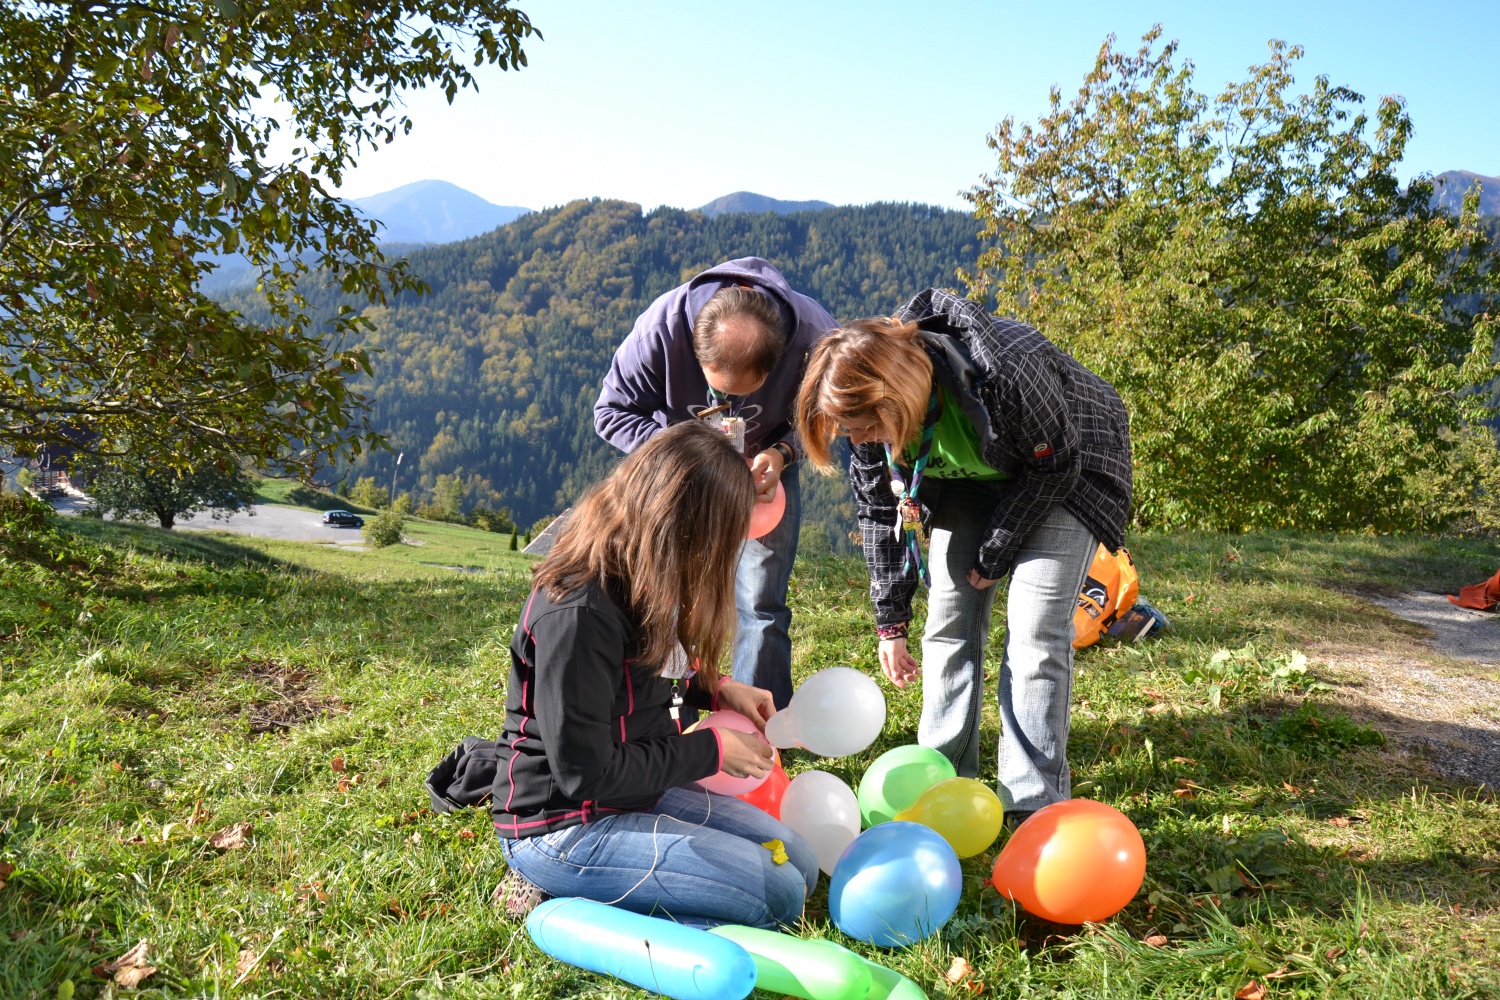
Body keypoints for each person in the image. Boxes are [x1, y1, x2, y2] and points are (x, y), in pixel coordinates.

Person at [796, 289, 1133, 826]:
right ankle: (942, 778)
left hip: (1065, 475)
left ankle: (1031, 802)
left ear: (897, 396)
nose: (857, 440)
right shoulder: (868, 420)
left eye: (864, 427)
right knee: (947, 616)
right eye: (849, 431)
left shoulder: (1007, 370)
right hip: (972, 479)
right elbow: (880, 511)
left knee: (1035, 635)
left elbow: (1056, 465)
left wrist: (997, 549)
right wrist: (890, 621)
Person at [492, 420, 819, 928]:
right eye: (724, 535)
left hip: (636, 794)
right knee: (777, 896)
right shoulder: (578, 612)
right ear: (685, 527)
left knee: (801, 863)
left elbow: (649, 674)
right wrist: (711, 751)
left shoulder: (647, 573)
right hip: (563, 824)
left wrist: (718, 690)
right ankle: (551, 884)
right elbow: (583, 773)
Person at [594, 257, 836, 709]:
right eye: (717, 389)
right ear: (694, 350)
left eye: (740, 393)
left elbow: (828, 415)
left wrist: (782, 452)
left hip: (768, 477)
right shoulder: (660, 331)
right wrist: (683, 452)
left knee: (761, 600)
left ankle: (763, 723)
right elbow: (609, 413)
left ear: (775, 363)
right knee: (671, 591)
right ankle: (663, 710)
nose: (726, 403)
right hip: (681, 478)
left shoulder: (815, 338)